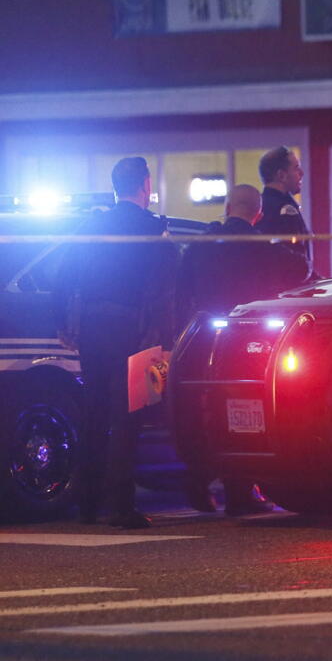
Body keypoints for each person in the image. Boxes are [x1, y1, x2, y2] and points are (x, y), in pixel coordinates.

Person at [54, 157, 178, 528]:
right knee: (129, 417)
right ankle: (121, 507)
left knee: (94, 413)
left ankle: (88, 504)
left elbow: (64, 276)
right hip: (134, 330)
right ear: (144, 185)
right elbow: (164, 287)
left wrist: (63, 321)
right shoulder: (153, 229)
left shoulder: (91, 225)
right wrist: (162, 334)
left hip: (93, 327)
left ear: (114, 186)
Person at [175, 184, 309, 516]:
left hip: (204, 341)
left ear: (227, 205)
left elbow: (180, 289)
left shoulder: (201, 246)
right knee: (243, 413)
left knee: (201, 413)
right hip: (247, 343)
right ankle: (239, 492)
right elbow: (300, 269)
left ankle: (197, 482)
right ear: (258, 213)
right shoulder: (260, 246)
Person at [256, 146, 318, 283]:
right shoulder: (283, 207)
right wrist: (311, 279)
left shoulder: (263, 205)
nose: (301, 173)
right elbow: (291, 256)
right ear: (281, 175)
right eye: (296, 168)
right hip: (289, 290)